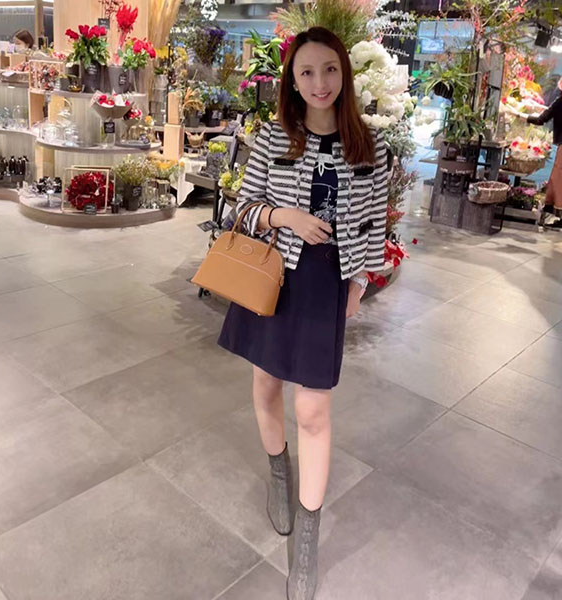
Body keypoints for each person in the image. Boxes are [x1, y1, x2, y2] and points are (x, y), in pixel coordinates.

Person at [217, 26, 389, 600]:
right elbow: (241, 210)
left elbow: (375, 224)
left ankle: (308, 536)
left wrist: (360, 282)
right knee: (266, 386)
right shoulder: (273, 138)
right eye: (308, 71)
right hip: (275, 275)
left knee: (313, 408)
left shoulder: (369, 146)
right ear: (292, 80)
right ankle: (278, 473)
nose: (320, 82)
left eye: (330, 69)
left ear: (345, 74)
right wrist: (285, 217)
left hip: (327, 284)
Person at [527, 76, 562, 220]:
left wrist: (524, 117)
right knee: (556, 176)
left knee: (557, 177)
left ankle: (557, 212)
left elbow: (542, 119)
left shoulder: (560, 102)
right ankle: (551, 209)